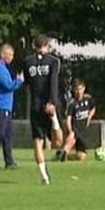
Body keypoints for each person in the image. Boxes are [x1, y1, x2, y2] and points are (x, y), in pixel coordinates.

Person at [23, 34, 63, 185]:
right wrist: (52, 102)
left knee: (38, 142)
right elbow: (53, 83)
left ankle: (44, 176)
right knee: (58, 142)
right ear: (47, 45)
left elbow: (27, 82)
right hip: (49, 103)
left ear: (34, 45)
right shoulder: (54, 61)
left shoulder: (27, 62)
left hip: (35, 105)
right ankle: (54, 120)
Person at [0, 44, 24, 171]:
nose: (12, 58)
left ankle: (9, 161)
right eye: (10, 55)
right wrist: (19, 80)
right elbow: (8, 85)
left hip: (5, 106)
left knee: (7, 134)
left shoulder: (3, 67)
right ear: (3, 54)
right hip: (0, 105)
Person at [58, 79, 96, 162]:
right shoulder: (72, 103)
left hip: (83, 131)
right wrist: (70, 130)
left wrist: (89, 117)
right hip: (75, 129)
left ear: (84, 88)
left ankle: (65, 155)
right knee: (71, 139)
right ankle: (64, 152)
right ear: (73, 90)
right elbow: (68, 119)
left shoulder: (88, 99)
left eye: (80, 89)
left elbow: (93, 108)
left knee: (81, 157)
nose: (78, 92)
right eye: (76, 89)